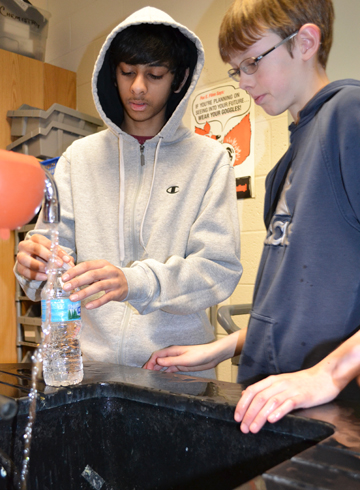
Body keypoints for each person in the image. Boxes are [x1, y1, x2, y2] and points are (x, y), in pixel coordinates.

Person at [144, 0, 360, 419]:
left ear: (306, 42)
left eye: (252, 63)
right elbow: (298, 308)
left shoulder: (348, 115)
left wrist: (329, 374)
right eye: (235, 69)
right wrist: (221, 347)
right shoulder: (286, 165)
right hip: (275, 400)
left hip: (334, 411)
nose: (243, 82)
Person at [14, 6, 242, 377]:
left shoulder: (209, 161)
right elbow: (50, 261)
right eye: (127, 73)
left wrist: (134, 282)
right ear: (112, 72)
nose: (137, 87)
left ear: (179, 78)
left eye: (154, 75)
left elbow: (218, 270)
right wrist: (32, 267)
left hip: (175, 369)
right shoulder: (78, 159)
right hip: (90, 369)